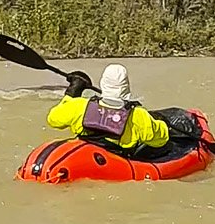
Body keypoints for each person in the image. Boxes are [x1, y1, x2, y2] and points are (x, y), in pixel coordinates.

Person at [45, 63, 196, 157]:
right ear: (125, 87)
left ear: (103, 84)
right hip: (119, 158)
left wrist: (73, 91)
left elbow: (53, 119)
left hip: (91, 152)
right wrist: (161, 123)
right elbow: (160, 140)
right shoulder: (138, 115)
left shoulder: (79, 106)